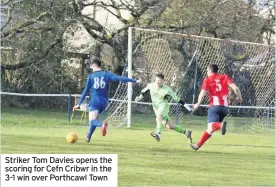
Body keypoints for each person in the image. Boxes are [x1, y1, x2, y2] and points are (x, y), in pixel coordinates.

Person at [73, 59, 141, 142]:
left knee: (92, 121)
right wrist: (134, 80)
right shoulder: (106, 74)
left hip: (95, 101)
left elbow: (85, 91)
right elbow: (119, 78)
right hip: (104, 102)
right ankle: (88, 136)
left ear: (94, 65)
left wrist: (79, 103)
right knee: (95, 119)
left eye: (91, 66)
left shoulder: (91, 76)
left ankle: (102, 124)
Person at [190, 64, 242, 151]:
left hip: (214, 107)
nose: (206, 72)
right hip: (225, 108)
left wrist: (197, 103)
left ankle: (221, 125)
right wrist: (239, 98)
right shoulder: (225, 77)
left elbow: (202, 94)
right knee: (210, 129)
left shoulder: (207, 80)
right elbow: (236, 88)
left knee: (212, 127)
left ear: (210, 71)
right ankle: (197, 146)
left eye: (207, 71)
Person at [135, 73, 193, 143]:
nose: (157, 82)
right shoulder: (151, 86)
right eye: (156, 80)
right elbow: (143, 93)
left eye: (159, 80)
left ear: (163, 81)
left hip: (164, 106)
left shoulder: (167, 89)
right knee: (170, 126)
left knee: (159, 117)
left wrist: (185, 105)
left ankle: (158, 134)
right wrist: (139, 98)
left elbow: (176, 99)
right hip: (156, 108)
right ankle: (187, 132)